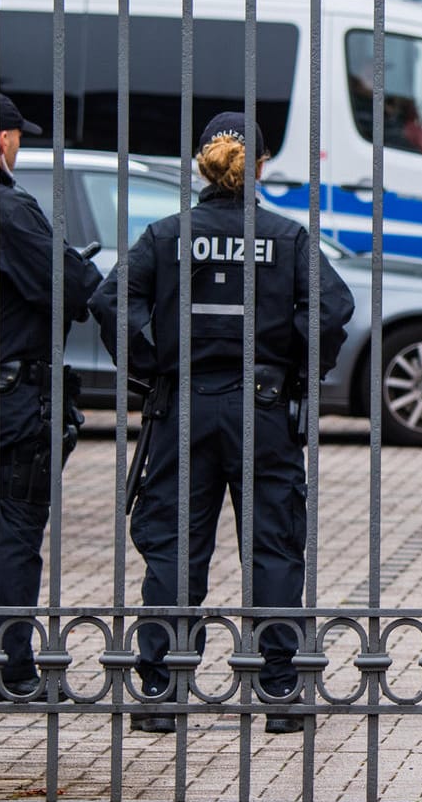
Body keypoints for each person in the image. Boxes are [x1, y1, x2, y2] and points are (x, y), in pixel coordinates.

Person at [90, 111, 354, 735]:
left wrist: (153, 364)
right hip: (260, 410)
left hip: (184, 407)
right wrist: (294, 371)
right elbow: (332, 307)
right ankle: (282, 689)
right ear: (260, 165)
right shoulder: (285, 237)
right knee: (273, 545)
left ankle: (161, 689)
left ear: (200, 162)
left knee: (177, 547)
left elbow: (110, 300)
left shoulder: (165, 235)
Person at [0, 91, 103, 700]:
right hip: (13, 398)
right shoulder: (4, 207)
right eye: (20, 138)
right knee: (14, 527)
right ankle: (9, 669)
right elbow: (73, 284)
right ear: (4, 140)